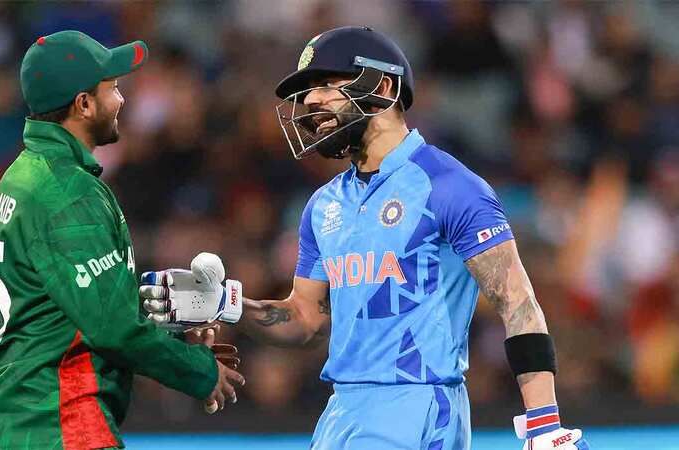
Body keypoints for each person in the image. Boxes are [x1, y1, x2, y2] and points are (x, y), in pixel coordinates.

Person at [141, 27, 589, 450]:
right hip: (340, 412)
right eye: (307, 90)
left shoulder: (450, 186)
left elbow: (517, 303)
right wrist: (226, 304)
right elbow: (305, 318)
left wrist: (544, 423)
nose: (310, 100)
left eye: (326, 84)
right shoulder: (324, 204)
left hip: (419, 406)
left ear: (384, 87)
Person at [0, 30, 243, 450]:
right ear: (84, 104)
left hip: (19, 417)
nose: (121, 100)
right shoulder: (66, 193)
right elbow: (113, 329)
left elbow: (67, 306)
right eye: (113, 88)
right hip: (60, 420)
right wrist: (201, 371)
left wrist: (169, 327)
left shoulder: (23, 175)